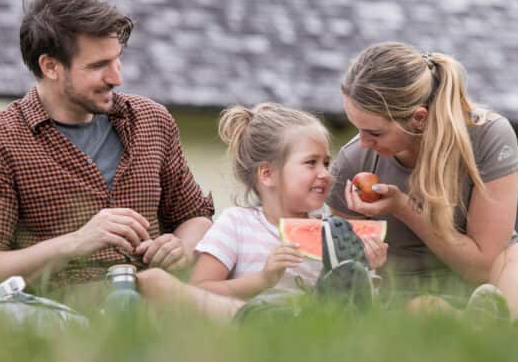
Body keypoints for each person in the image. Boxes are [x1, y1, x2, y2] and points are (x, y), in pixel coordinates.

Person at [0, 0, 214, 307]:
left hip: (166, 311)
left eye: (117, 60)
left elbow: (197, 217)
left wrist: (181, 246)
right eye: (98, 66)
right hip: (61, 326)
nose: (116, 78)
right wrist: (77, 241)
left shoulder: (152, 120)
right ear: (50, 66)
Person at [326, 41, 518, 322]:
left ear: (418, 119)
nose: (362, 142)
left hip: (489, 288)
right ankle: (487, 330)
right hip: (406, 300)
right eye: (356, 127)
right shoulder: (353, 160)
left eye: (374, 132)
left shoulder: (488, 137)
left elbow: (485, 267)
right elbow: (346, 275)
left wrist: (404, 209)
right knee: (426, 306)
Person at [121, 103, 388, 320]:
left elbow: (355, 304)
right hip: (249, 324)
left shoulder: (333, 232)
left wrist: (366, 269)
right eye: (311, 163)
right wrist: (263, 279)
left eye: (326, 164)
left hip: (315, 330)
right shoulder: (236, 224)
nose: (325, 175)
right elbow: (200, 291)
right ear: (267, 174)